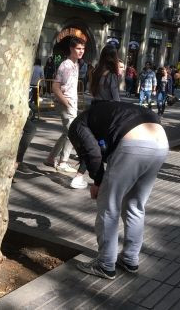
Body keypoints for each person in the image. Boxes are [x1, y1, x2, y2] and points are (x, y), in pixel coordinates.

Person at [69, 101, 168, 279]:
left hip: (133, 144)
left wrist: (98, 181)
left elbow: (92, 151)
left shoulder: (77, 125)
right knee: (135, 205)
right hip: (160, 141)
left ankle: (105, 265)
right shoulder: (109, 112)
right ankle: (130, 259)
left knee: (109, 206)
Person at [70, 45, 120, 189]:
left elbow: (91, 90)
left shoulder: (96, 71)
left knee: (93, 143)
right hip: (107, 111)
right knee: (105, 144)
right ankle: (93, 178)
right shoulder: (111, 74)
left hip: (94, 108)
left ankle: (81, 176)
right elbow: (116, 97)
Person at [44, 37, 85, 173]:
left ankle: (51, 158)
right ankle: (63, 162)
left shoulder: (75, 64)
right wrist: (66, 103)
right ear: (71, 49)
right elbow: (55, 87)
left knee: (66, 133)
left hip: (70, 103)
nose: (81, 51)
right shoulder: (66, 65)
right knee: (72, 133)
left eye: (83, 49)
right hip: (66, 103)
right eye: (78, 48)